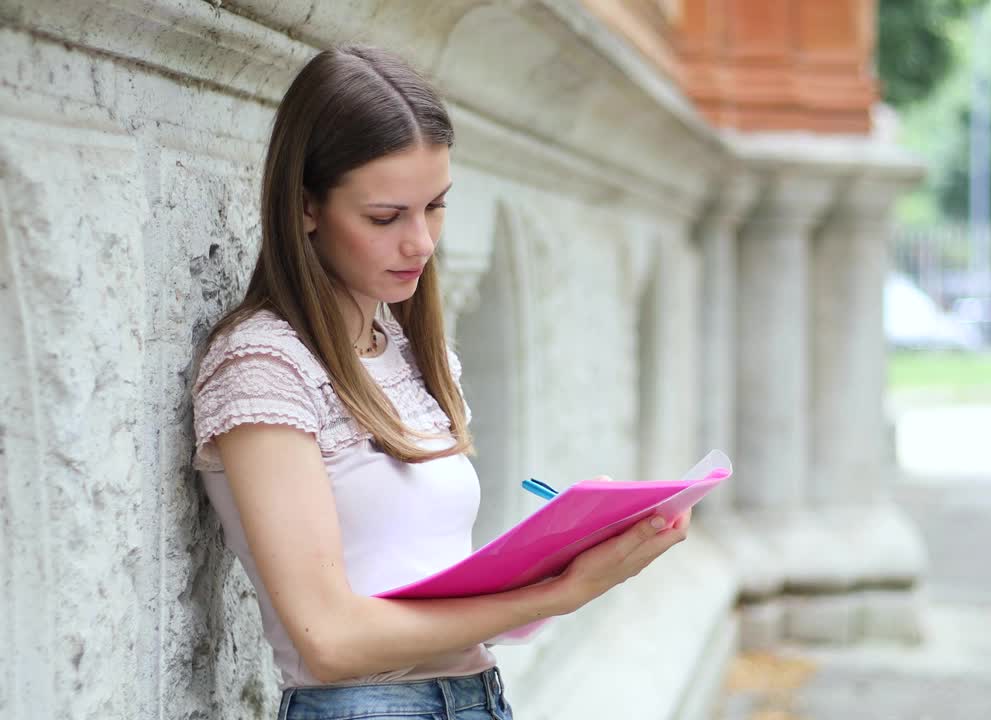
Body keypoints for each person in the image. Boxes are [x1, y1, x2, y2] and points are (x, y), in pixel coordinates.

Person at [191, 46, 690, 719]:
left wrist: (567, 545)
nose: (421, 243)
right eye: (385, 216)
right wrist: (559, 593)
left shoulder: (407, 353)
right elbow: (330, 641)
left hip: (476, 695)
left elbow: (423, 580)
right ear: (306, 206)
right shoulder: (262, 367)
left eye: (436, 207)